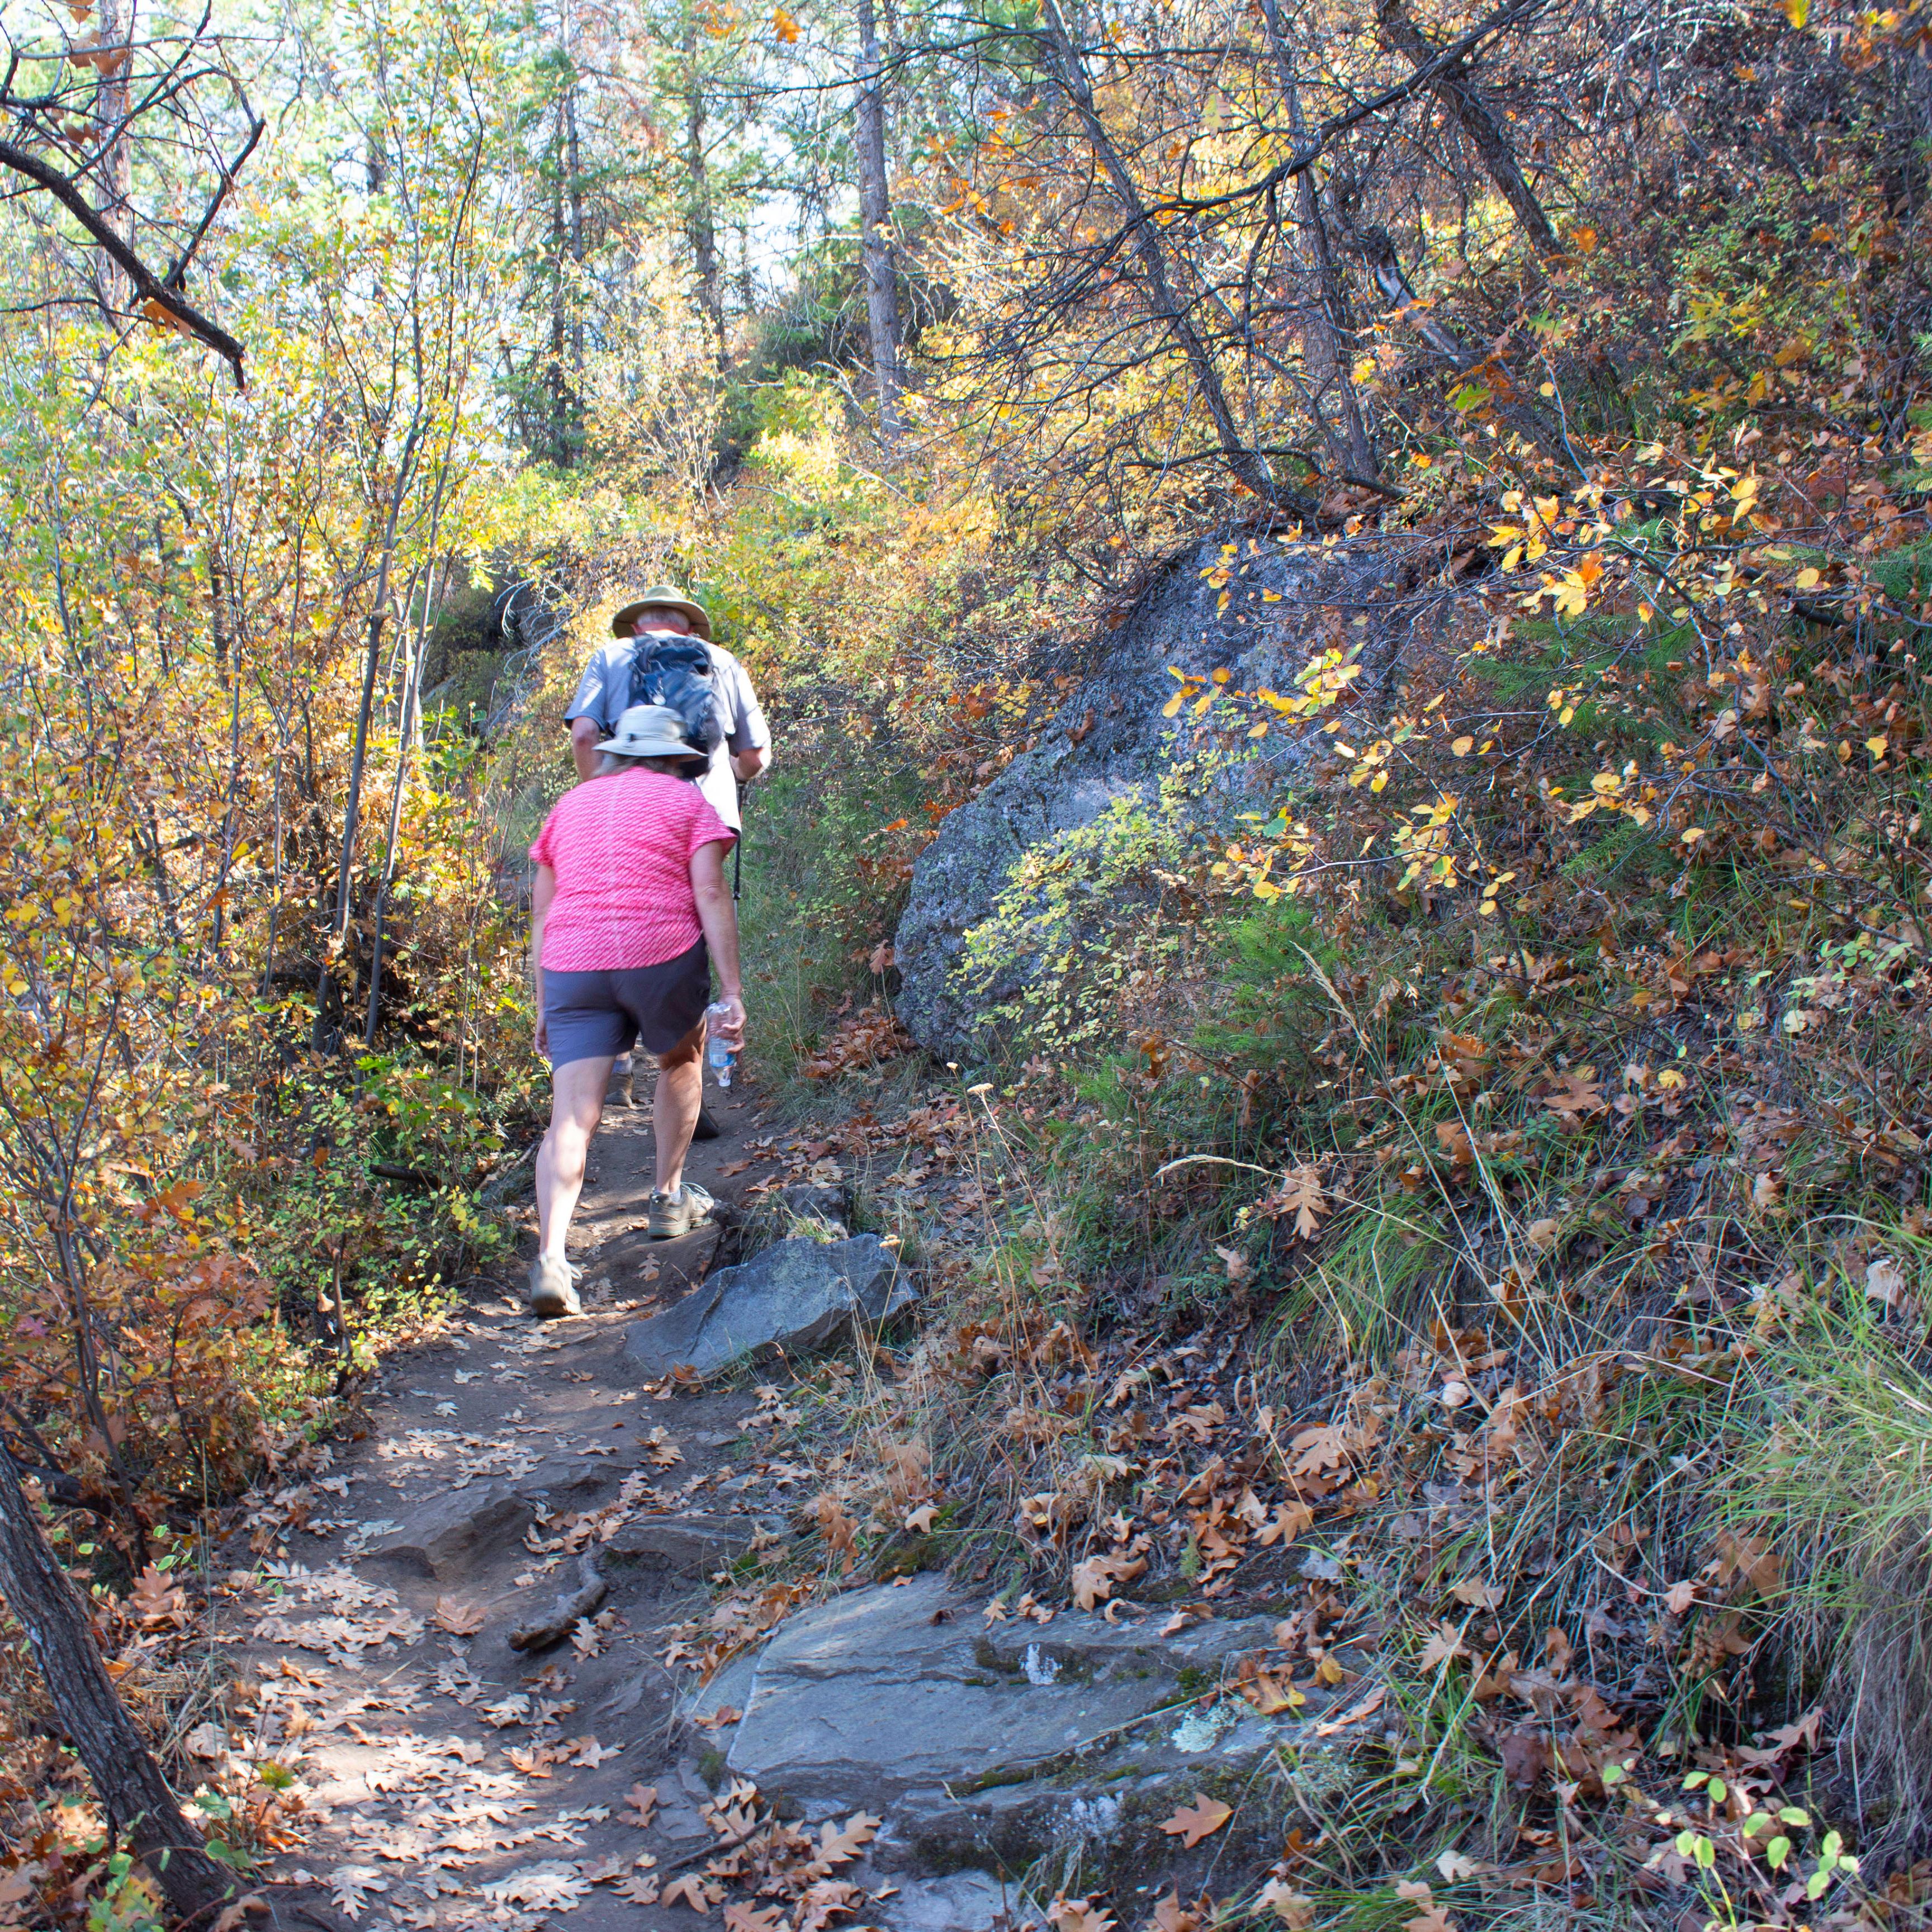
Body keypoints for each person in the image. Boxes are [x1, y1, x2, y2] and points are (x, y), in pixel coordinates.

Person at [525, 703, 748, 1319]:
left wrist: (544, 1002)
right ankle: (667, 1198)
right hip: (662, 954)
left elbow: (543, 912)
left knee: (570, 1116)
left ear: (620, 752)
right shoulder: (687, 805)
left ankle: (550, 1259)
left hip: (572, 963)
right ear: (677, 759)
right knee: (682, 1060)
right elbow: (709, 891)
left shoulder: (568, 807)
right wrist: (731, 991)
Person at [564, 583, 770, 1112]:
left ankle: (617, 1055)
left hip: (619, 814)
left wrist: (600, 801)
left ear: (637, 625)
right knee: (693, 916)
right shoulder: (722, 661)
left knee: (624, 909)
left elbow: (585, 734)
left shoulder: (609, 657)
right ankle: (686, 1070)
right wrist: (730, 775)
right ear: (689, 627)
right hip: (708, 809)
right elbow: (756, 754)